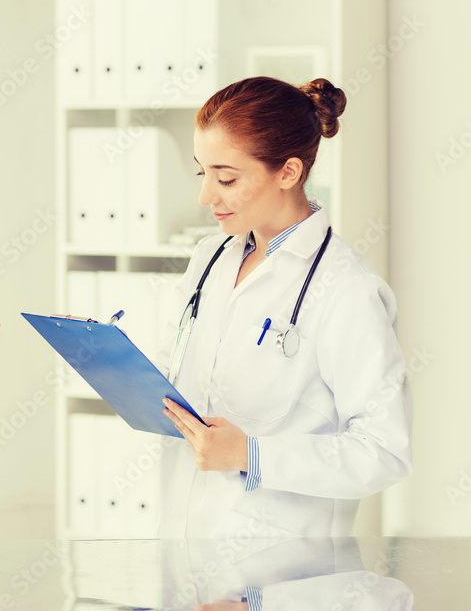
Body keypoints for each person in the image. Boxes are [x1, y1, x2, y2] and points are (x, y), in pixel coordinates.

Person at [156, 76, 412, 538]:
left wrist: (251, 455)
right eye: (202, 173)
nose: (206, 196)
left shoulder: (346, 290)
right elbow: (182, 377)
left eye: (226, 178)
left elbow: (383, 452)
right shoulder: (210, 258)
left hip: (287, 577)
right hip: (188, 557)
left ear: (289, 172)